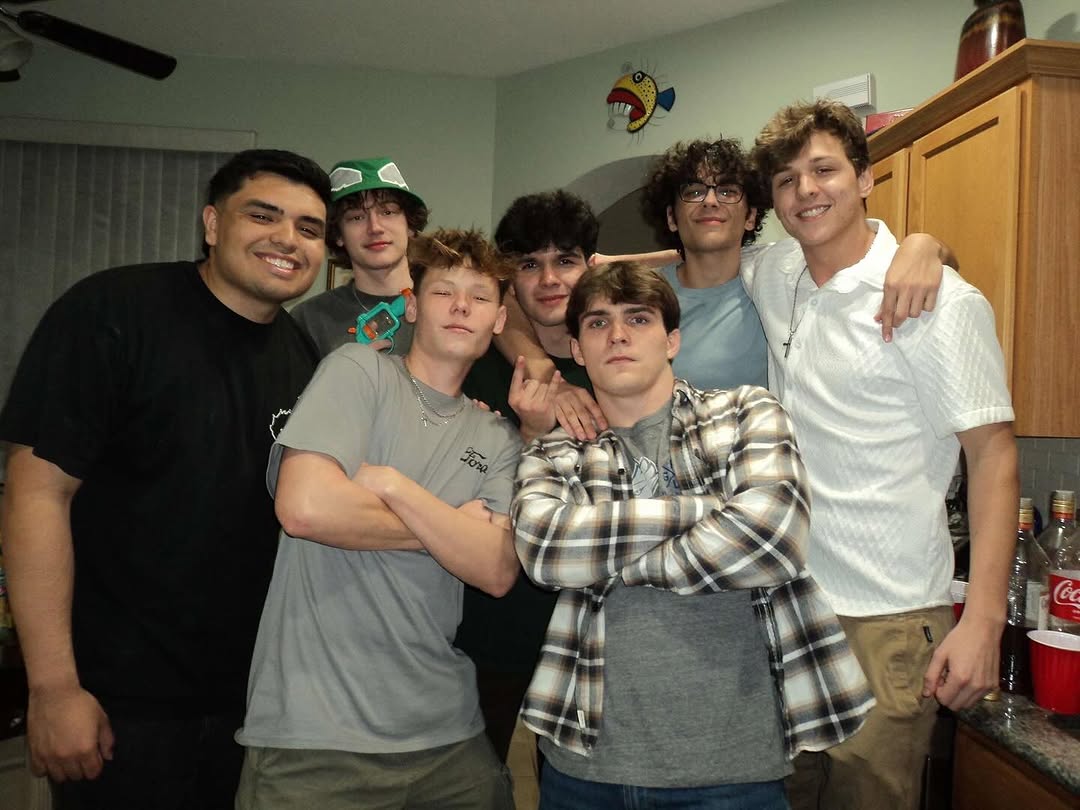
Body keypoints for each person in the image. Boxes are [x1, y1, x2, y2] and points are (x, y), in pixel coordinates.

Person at [0, 149, 330, 808]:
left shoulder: (301, 355)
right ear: (212, 223)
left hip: (249, 706)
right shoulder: (115, 310)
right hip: (120, 707)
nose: (287, 239)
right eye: (263, 215)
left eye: (309, 228)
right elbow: (35, 493)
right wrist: (54, 687)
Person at [511, 262, 874, 809]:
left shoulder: (747, 411)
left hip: (733, 769)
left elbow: (773, 538)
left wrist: (615, 563)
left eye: (638, 318)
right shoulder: (553, 451)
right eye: (598, 323)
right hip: (585, 767)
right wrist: (709, 510)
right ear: (578, 351)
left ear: (672, 340)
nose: (618, 335)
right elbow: (544, 551)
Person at [747, 99, 1017, 810]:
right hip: (787, 610)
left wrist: (983, 619)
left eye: (824, 170)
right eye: (786, 179)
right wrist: (601, 264)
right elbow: (696, 256)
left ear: (866, 178)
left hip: (888, 621)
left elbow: (994, 456)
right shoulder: (778, 273)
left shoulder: (939, 300)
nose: (805, 190)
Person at [235, 229, 522, 810]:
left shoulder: (499, 437)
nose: (461, 306)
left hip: (449, 737)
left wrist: (391, 485)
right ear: (411, 306)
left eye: (479, 296)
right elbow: (305, 508)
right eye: (443, 292)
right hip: (315, 735)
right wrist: (452, 529)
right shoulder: (357, 371)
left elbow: (496, 570)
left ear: (498, 320)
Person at [457, 190, 598, 763]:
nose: (549, 279)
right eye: (530, 264)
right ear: (509, 279)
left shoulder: (611, 358)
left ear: (590, 265)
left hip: (580, 626)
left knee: (570, 785)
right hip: (483, 623)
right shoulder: (472, 361)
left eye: (565, 260)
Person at [290, 156, 429, 357]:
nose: (375, 228)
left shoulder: (446, 306)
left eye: (388, 212)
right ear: (338, 235)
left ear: (410, 225)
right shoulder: (310, 320)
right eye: (357, 217)